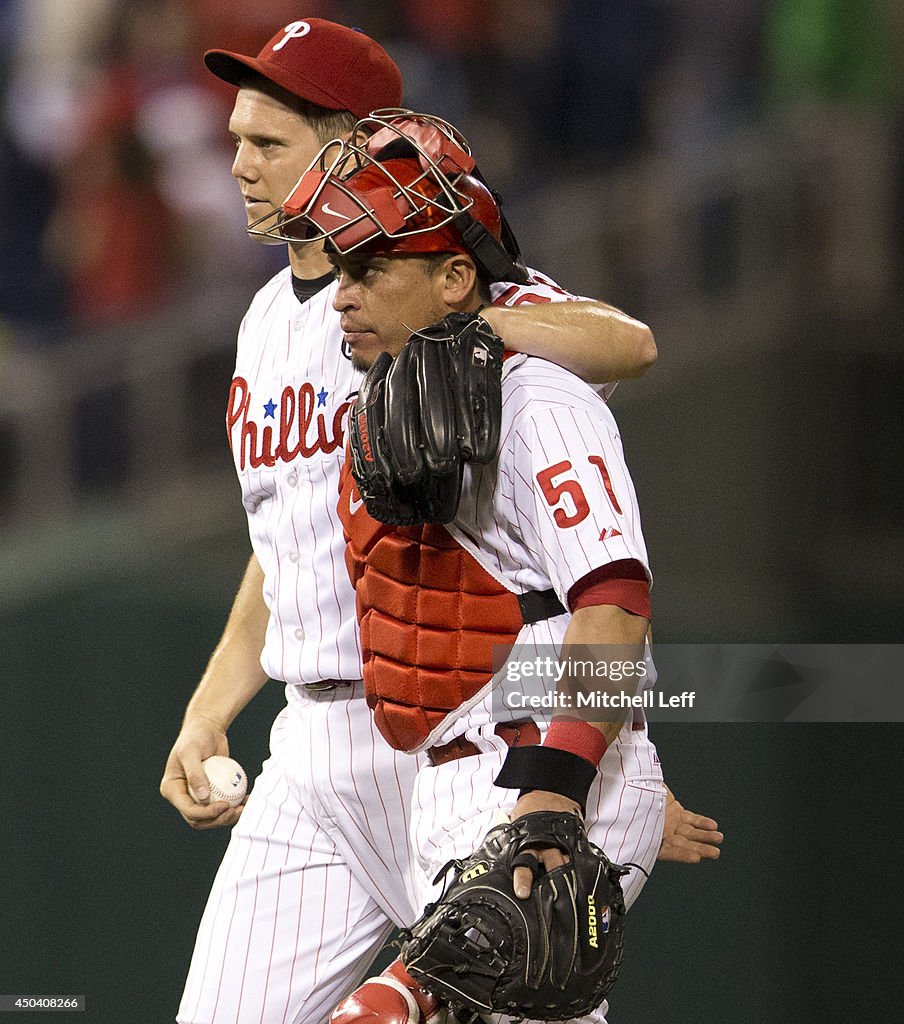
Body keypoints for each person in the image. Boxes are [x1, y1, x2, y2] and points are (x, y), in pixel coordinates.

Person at [158, 19, 713, 1024]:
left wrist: (581, 775)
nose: (238, 163)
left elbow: (624, 343)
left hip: (449, 721)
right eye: (234, 139)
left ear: (352, 143)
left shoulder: (432, 290)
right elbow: (279, 540)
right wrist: (208, 709)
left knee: (490, 992)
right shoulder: (268, 320)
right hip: (315, 736)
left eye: (267, 142)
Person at [282, 127, 679, 1022]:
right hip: (449, 784)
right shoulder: (385, 401)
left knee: (391, 1010)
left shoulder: (541, 394)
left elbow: (614, 606)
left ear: (457, 281)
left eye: (371, 271)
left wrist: (558, 796)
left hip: (534, 775)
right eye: (338, 273)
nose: (341, 298)